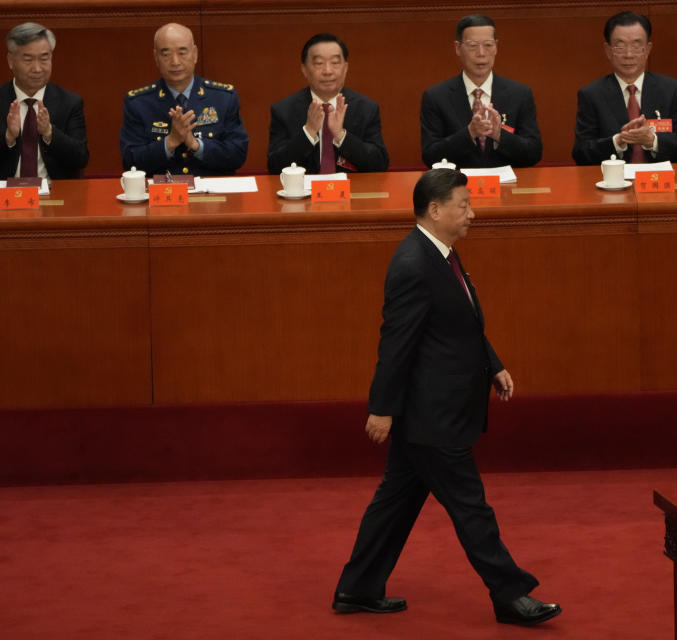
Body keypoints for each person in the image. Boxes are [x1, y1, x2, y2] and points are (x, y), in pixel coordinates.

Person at [333, 168, 561, 627]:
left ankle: (356, 588)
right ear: (434, 210)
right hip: (431, 415)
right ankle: (510, 595)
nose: (471, 214)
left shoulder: (441, 254)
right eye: (463, 205)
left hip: (434, 411)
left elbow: (460, 325)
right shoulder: (413, 264)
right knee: (471, 507)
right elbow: (396, 344)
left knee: (395, 502)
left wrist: (492, 364)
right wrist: (381, 408)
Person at [120, 23, 248, 176]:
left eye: (182, 52)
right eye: (166, 54)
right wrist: (170, 142)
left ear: (195, 54)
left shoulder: (223, 98)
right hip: (161, 193)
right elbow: (130, 162)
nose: (175, 62)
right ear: (156, 57)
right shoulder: (138, 103)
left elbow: (238, 155)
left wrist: (195, 145)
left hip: (213, 194)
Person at [573, 11, 677, 165]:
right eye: (620, 47)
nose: (628, 54)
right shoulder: (591, 94)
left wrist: (652, 141)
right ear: (608, 51)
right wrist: (618, 141)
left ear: (648, 49)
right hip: (613, 183)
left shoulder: (670, 89)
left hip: (659, 181)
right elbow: (580, 152)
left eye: (636, 46)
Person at [420, 15, 542, 168]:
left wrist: (499, 135)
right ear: (458, 48)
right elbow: (430, 156)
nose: (481, 53)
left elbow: (534, 153)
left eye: (488, 45)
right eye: (472, 45)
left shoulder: (520, 94)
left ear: (496, 47)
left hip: (508, 186)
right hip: (457, 187)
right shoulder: (436, 97)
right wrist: (470, 133)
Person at [267, 33, 388, 174]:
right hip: (304, 193)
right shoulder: (283, 110)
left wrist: (341, 135)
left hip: (352, 192)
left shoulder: (366, 109)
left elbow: (380, 164)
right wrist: (309, 132)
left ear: (345, 68)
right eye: (319, 63)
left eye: (335, 63)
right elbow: (274, 167)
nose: (328, 71)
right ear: (304, 69)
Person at [1, 22, 88, 180]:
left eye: (44, 59)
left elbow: (80, 158)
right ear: (11, 61)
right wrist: (8, 138)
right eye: (28, 60)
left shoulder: (69, 102)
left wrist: (49, 133)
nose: (37, 68)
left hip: (55, 194)